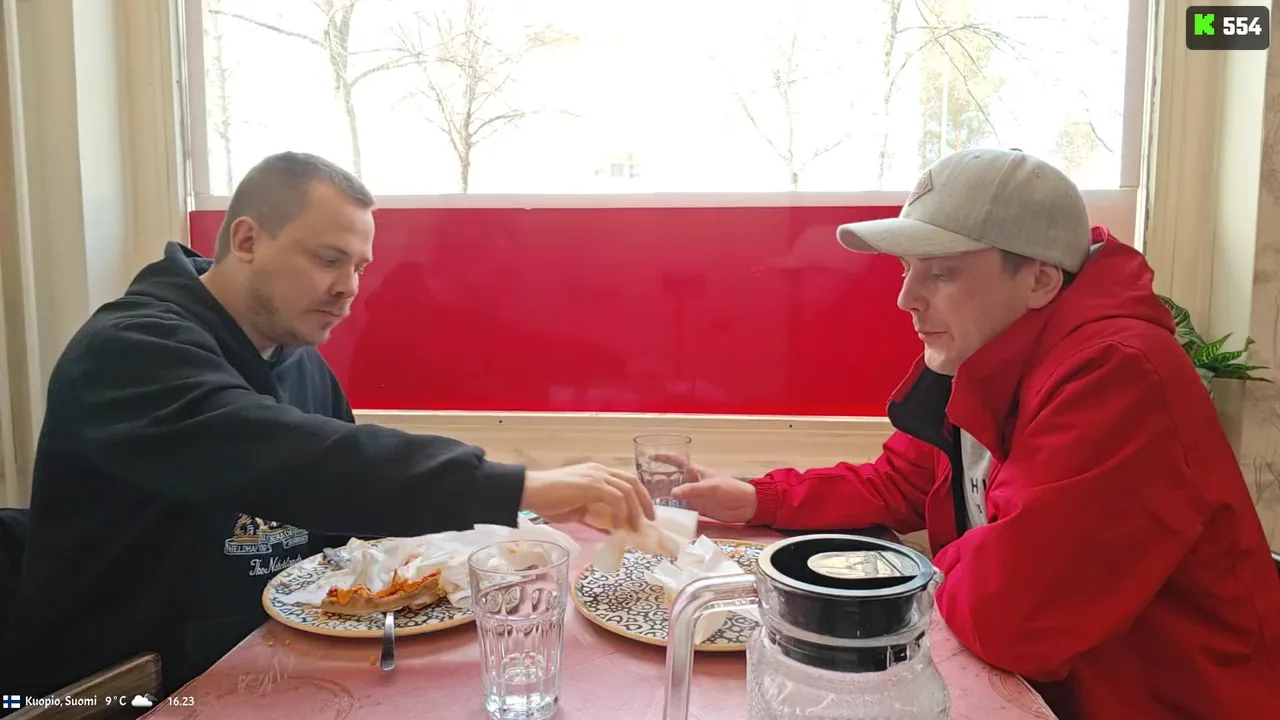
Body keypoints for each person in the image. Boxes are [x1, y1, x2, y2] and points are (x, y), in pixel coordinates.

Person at [0, 151, 653, 701]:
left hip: (265, 667)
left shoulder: (298, 361)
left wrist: (512, 535)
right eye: (327, 258)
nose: (349, 288)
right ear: (246, 240)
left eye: (358, 266)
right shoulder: (131, 351)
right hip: (126, 690)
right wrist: (516, 487)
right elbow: (298, 460)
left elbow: (348, 516)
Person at [670, 149, 1280, 718]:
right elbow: (900, 481)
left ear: (1040, 280)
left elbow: (1013, 616)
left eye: (941, 273)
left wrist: (929, 570)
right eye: (907, 269)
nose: (906, 298)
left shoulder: (1117, 374)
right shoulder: (987, 353)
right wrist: (758, 497)